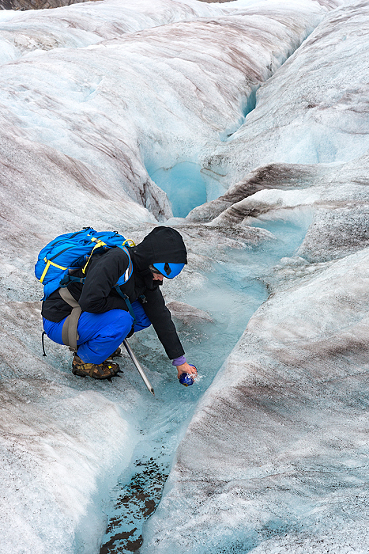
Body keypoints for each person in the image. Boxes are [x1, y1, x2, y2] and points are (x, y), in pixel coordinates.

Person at [41, 226, 198, 381]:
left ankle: (101, 344)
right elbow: (90, 302)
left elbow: (159, 314)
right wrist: (124, 305)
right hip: (62, 319)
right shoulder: (116, 260)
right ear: (150, 261)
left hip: (84, 316)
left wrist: (180, 362)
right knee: (123, 319)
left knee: (145, 314)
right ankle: (83, 361)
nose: (160, 279)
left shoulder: (145, 273)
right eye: (159, 273)